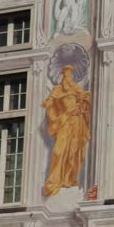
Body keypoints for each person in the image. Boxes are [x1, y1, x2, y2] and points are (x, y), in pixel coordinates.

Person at [42, 65, 92, 196]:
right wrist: (49, 104)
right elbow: (49, 102)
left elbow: (86, 98)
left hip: (76, 122)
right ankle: (55, 180)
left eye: (69, 74)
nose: (67, 77)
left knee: (74, 152)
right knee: (58, 151)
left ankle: (69, 179)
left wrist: (84, 100)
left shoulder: (76, 88)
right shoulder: (57, 89)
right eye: (65, 74)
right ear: (62, 75)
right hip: (64, 122)